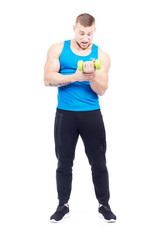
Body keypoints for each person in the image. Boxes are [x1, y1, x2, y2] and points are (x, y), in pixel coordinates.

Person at [44, 13, 116, 223]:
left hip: (91, 115)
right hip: (65, 115)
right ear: (74, 28)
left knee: (99, 162)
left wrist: (92, 77)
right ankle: (62, 205)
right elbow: (47, 79)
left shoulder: (101, 56)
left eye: (89, 34)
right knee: (64, 162)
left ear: (94, 32)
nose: (85, 38)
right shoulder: (58, 49)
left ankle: (104, 205)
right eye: (82, 33)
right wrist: (75, 76)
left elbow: (102, 90)